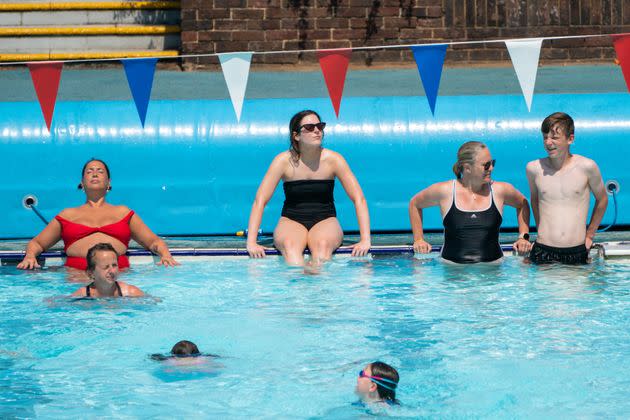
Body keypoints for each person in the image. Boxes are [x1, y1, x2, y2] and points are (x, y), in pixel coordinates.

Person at [246, 110, 371, 265]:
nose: (317, 130)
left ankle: (316, 289)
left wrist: (365, 240)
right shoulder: (283, 161)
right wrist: (251, 242)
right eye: (310, 127)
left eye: (320, 126)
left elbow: (359, 199)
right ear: (296, 135)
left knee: (322, 248)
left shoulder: (334, 159)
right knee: (290, 249)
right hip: (291, 220)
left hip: (325, 219)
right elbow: (260, 200)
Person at [17, 158, 178, 270]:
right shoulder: (67, 215)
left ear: (109, 183)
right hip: (77, 280)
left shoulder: (123, 213)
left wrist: (165, 255)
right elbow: (37, 243)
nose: (94, 173)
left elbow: (154, 242)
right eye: (89, 171)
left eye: (100, 171)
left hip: (117, 280)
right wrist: (30, 256)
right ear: (81, 183)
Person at [409, 141, 532, 263]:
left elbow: (523, 203)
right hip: (453, 272)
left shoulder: (500, 190)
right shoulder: (444, 191)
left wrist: (523, 237)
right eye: (486, 165)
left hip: (493, 272)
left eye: (492, 163)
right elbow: (415, 204)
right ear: (467, 168)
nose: (492, 168)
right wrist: (419, 239)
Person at [526, 112, 608, 264]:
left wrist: (590, 235)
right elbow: (535, 200)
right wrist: (540, 230)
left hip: (575, 250)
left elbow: (602, 199)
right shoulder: (534, 168)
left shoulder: (587, 167)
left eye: (555, 138)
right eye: (545, 137)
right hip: (543, 248)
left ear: (570, 139)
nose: (548, 142)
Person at [71, 243, 144, 297]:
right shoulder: (81, 296)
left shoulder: (130, 293)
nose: (112, 271)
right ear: (91, 273)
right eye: (106, 267)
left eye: (114, 265)